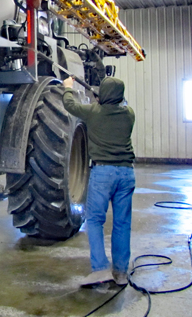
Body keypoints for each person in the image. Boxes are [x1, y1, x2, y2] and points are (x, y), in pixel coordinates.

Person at [62, 76, 135, 287]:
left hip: (103, 173)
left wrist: (68, 88)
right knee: (122, 224)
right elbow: (122, 104)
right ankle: (121, 273)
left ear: (102, 95)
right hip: (127, 174)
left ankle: (101, 269)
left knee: (94, 221)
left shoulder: (93, 113)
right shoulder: (129, 114)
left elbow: (70, 105)